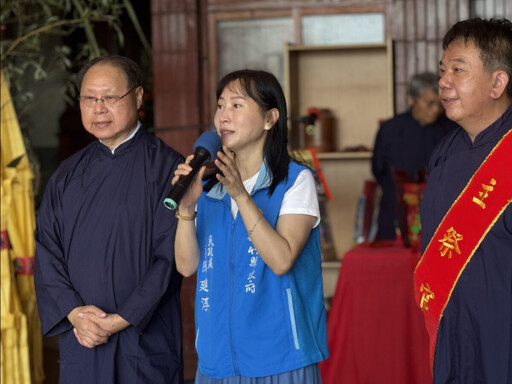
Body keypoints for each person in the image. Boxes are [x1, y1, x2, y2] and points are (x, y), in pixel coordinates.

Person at [34, 55, 184, 383]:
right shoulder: (66, 175)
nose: (99, 108)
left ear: (139, 96)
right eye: (89, 98)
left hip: (144, 343)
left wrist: (121, 319)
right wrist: (74, 313)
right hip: (82, 339)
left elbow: (169, 259)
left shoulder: (170, 170)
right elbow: (47, 251)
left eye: (110, 97)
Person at [173, 69, 329, 383]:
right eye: (220, 106)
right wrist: (187, 209)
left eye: (236, 105)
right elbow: (186, 266)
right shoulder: (208, 188)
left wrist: (241, 196)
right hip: (217, 360)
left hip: (280, 359)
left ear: (270, 118)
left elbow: (282, 259)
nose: (223, 116)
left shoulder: (296, 181)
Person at [414, 18, 512, 383]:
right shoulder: (444, 152)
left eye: (458, 70)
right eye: (442, 70)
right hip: (453, 335)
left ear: (498, 83)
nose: (443, 81)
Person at [372, 72, 456, 240]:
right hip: (395, 215)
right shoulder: (389, 130)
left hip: (441, 217)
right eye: (429, 103)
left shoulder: (453, 130)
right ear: (412, 99)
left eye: (439, 104)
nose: (436, 109)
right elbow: (378, 171)